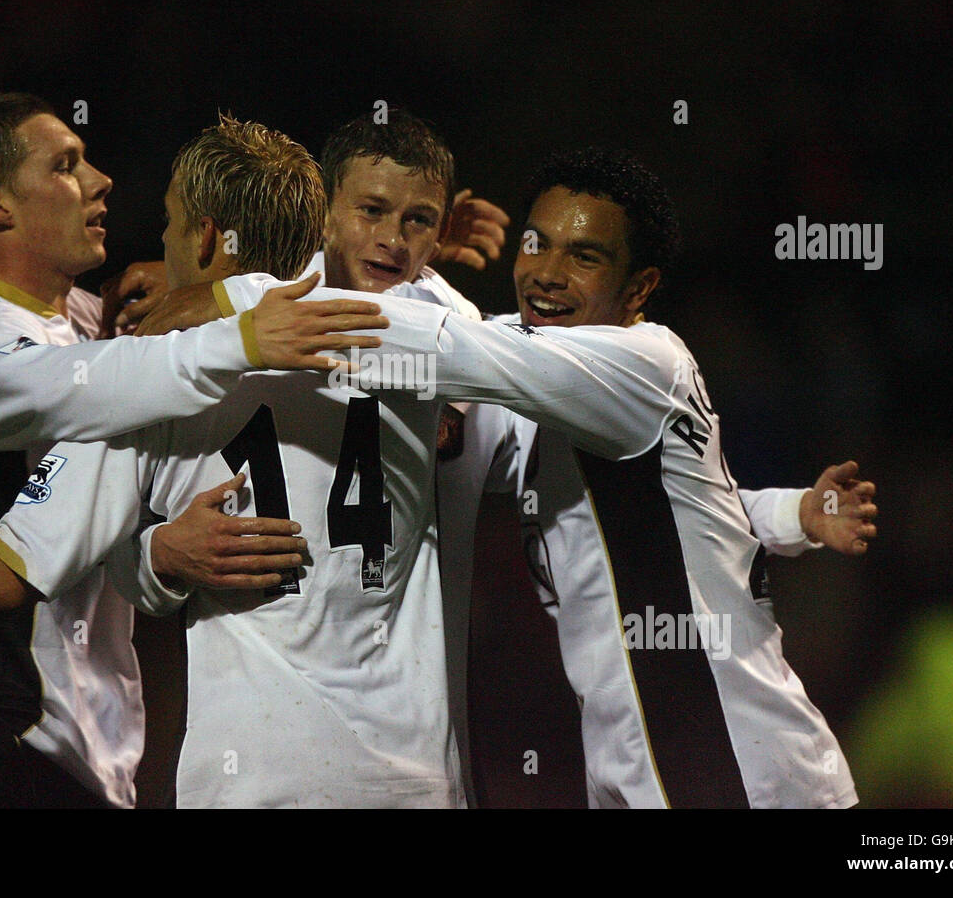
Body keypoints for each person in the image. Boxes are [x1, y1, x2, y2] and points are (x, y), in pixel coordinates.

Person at [0, 100, 386, 807]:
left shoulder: (96, 327)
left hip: (89, 749)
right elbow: (83, 415)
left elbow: (91, 513)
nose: (101, 181)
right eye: (64, 166)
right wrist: (232, 322)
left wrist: (155, 549)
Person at [230, 145, 874, 807]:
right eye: (536, 244)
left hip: (729, 764)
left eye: (585, 256)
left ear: (640, 288)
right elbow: (692, 510)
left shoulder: (639, 363)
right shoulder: (549, 376)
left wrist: (231, 305)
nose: (548, 274)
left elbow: (451, 347)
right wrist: (792, 513)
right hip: (641, 761)